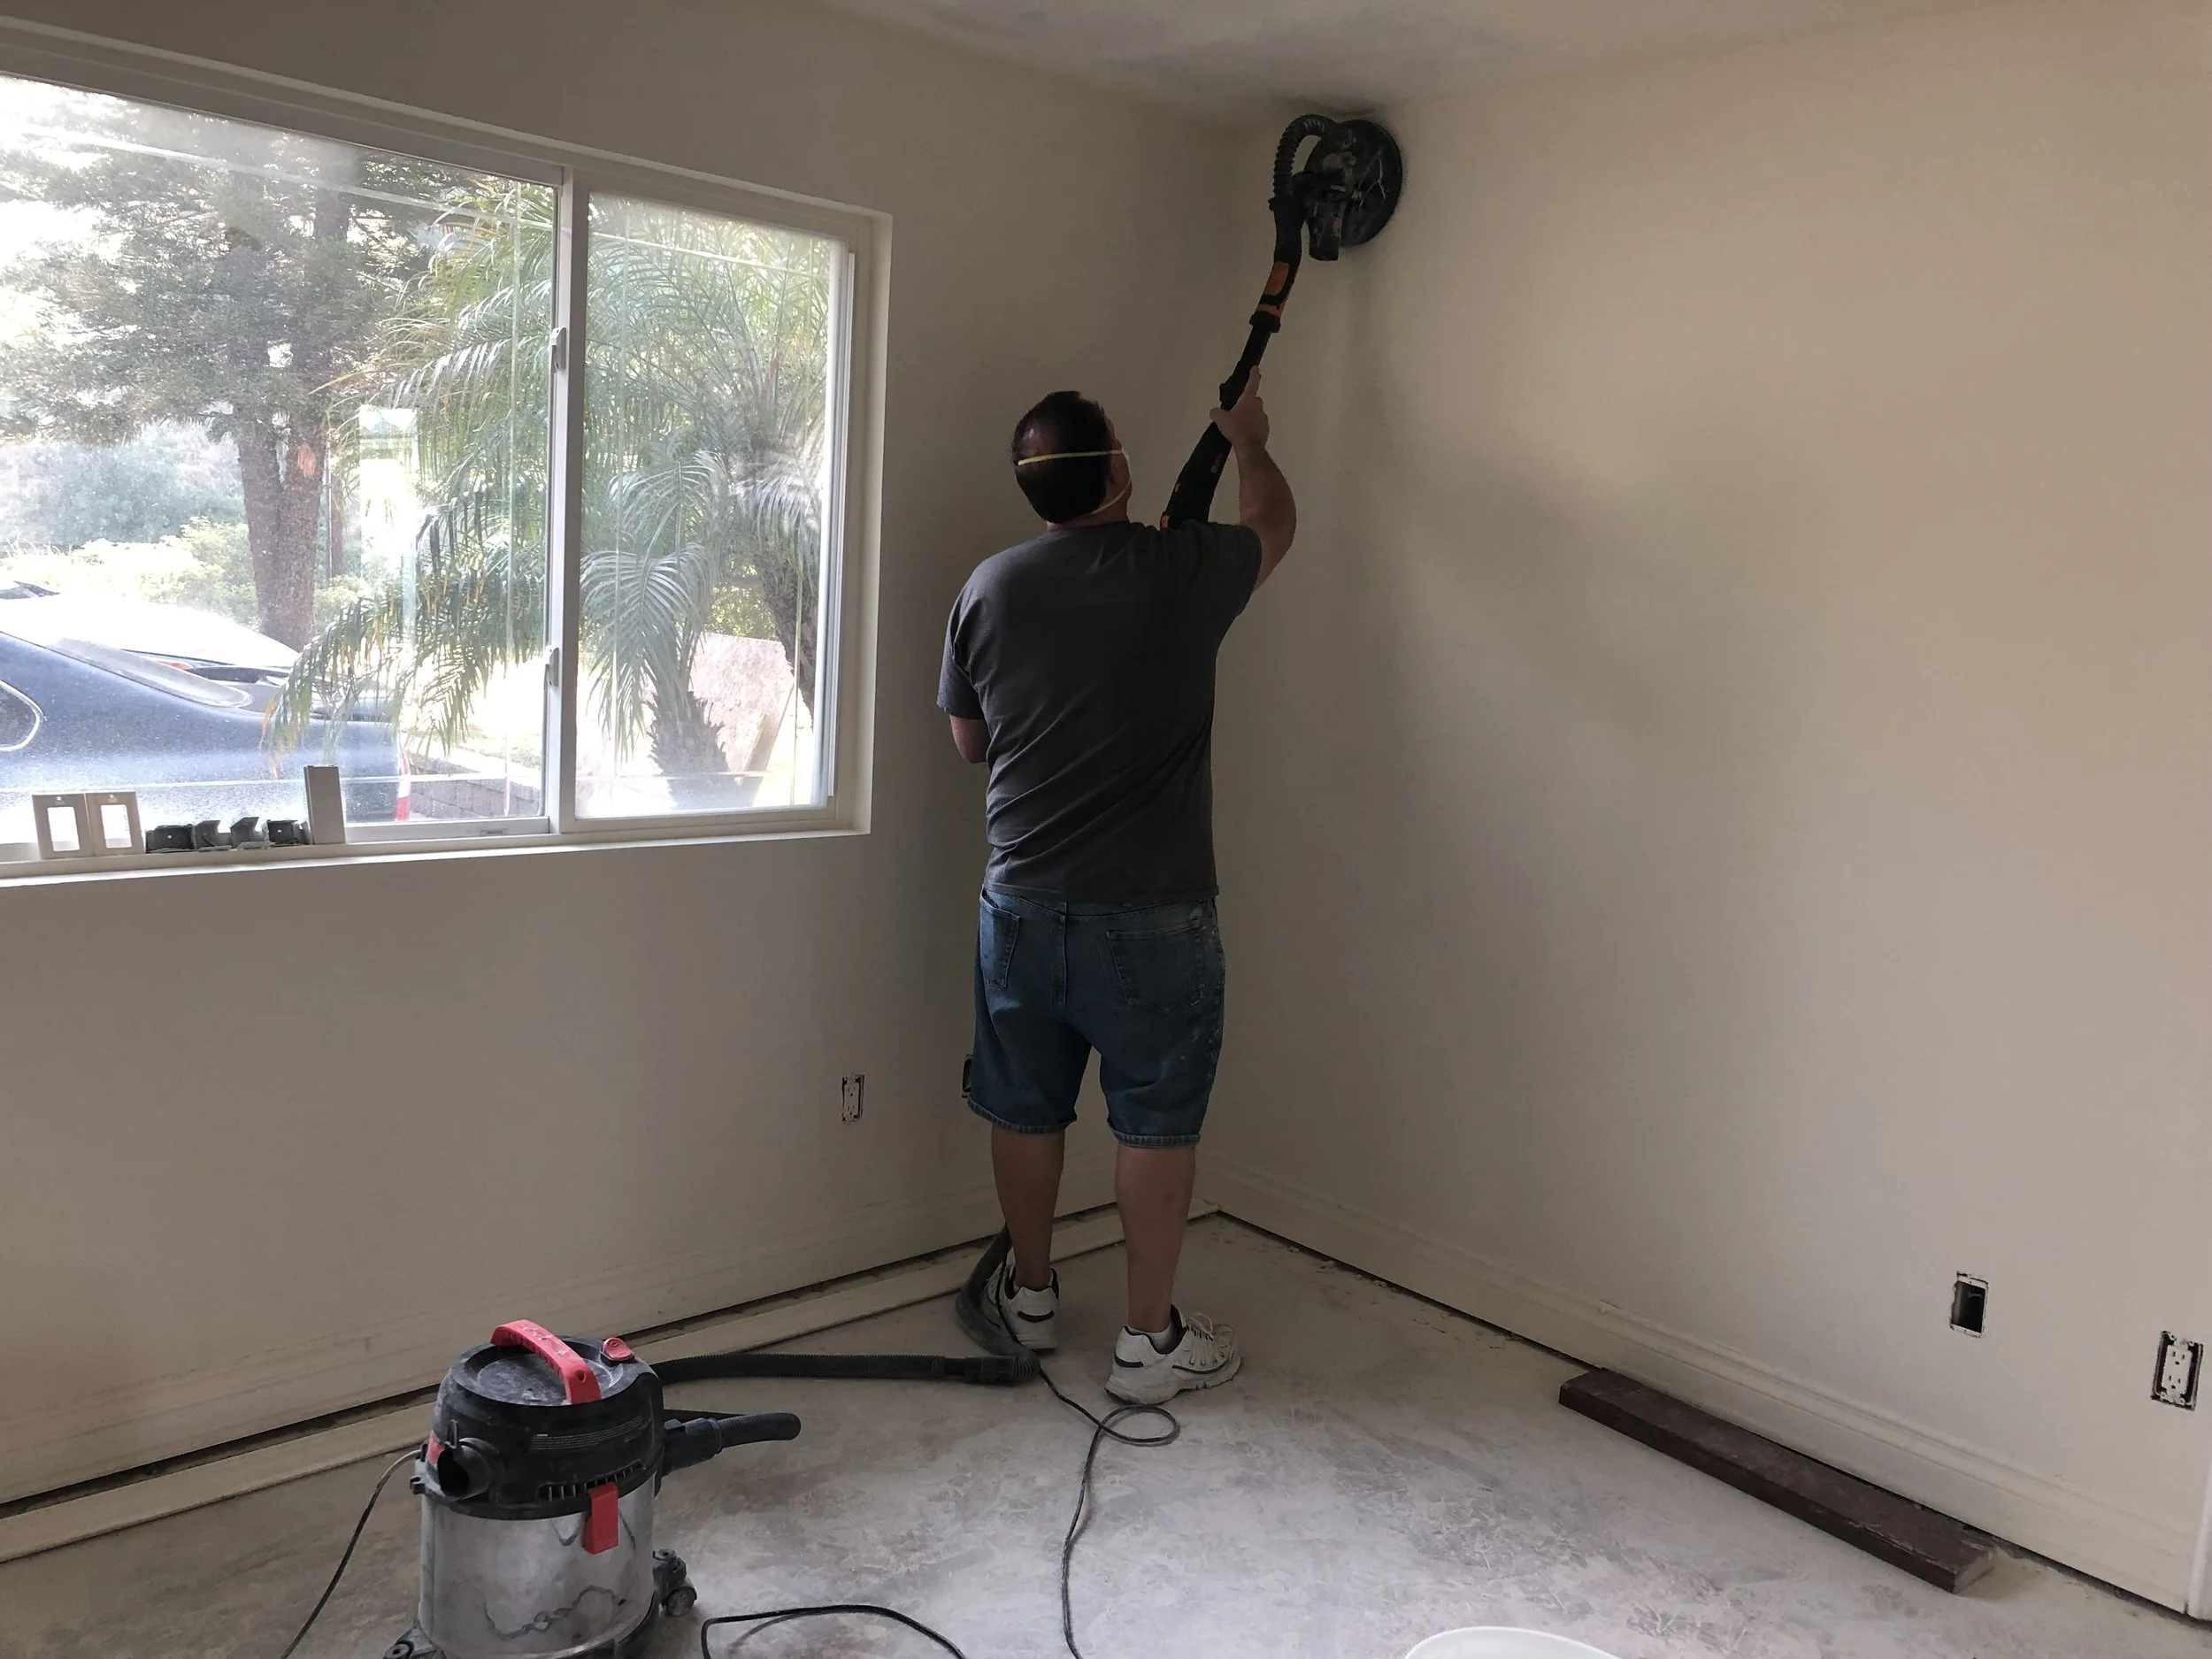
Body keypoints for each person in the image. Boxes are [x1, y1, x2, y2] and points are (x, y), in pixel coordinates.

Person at [937, 374, 1295, 1404]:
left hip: (1018, 905)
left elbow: (968, 742)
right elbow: (1274, 525)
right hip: (1153, 916)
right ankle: (1147, 1345)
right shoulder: (1182, 567)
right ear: (1119, 471)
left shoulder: (988, 587)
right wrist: (1250, 440)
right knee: (1154, 1123)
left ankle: (1031, 1297)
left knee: (1025, 1108)